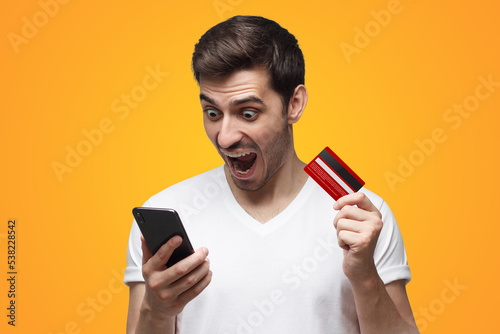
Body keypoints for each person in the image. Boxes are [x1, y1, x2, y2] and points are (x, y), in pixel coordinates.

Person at [125, 15, 419, 334]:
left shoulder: (362, 217)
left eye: (248, 113)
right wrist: (155, 312)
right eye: (212, 113)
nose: (224, 137)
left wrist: (365, 277)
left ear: (293, 104)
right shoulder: (167, 211)